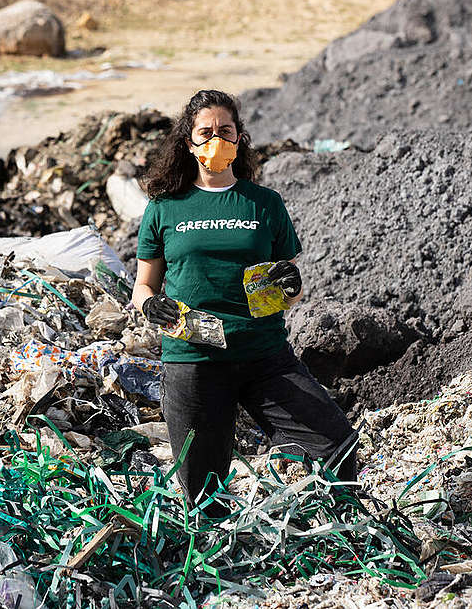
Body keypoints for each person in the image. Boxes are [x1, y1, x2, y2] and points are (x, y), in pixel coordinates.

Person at [132, 89, 357, 514]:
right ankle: (221, 567)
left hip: (263, 356)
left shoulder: (265, 203)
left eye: (225, 130)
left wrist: (291, 283)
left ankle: (336, 534)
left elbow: (288, 284)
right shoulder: (164, 208)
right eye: (205, 132)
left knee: (336, 444)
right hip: (192, 359)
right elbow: (143, 286)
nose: (215, 139)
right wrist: (149, 306)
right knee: (203, 493)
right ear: (188, 142)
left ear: (239, 139)